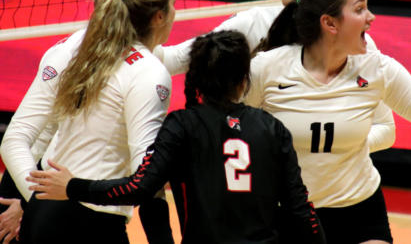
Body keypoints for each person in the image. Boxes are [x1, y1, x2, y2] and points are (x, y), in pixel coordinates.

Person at [243, 0, 411, 244]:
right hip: (285, 213)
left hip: (357, 208)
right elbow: (231, 127)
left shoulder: (376, 68)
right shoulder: (267, 68)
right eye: (359, 9)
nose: (371, 17)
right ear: (330, 23)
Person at [27, 30, 327, 244]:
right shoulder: (272, 128)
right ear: (244, 80)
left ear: (196, 78)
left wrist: (73, 187)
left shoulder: (184, 125)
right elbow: (300, 209)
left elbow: (139, 188)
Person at [158, 0, 394, 154]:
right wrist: (129, 44)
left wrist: (337, 148)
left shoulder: (357, 42)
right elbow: (174, 59)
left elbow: (385, 128)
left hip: (336, 186)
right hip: (262, 177)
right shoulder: (254, 22)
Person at [0, 0, 175, 243]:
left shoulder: (83, 53)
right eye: (174, 3)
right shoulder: (149, 72)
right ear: (159, 16)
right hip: (90, 220)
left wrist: (37, 200)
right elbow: (146, 181)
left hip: (47, 212)